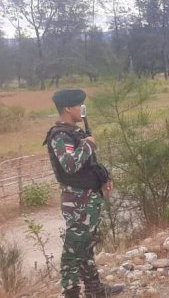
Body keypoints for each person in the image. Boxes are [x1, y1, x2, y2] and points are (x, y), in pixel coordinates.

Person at [42, 89, 123, 298]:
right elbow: (70, 165)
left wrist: (104, 177)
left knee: (86, 247)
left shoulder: (75, 133)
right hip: (77, 200)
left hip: (88, 197)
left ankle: (95, 290)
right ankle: (71, 293)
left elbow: (89, 165)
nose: (82, 110)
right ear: (68, 108)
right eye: (79, 105)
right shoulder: (60, 136)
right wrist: (87, 145)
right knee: (73, 250)